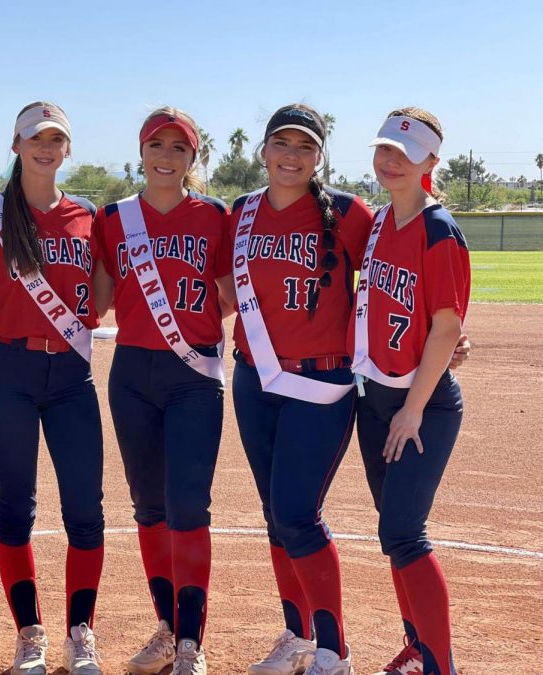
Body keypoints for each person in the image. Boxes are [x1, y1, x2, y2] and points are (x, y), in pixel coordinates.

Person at [224, 104, 373, 675]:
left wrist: (445, 337)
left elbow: (392, 281)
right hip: (254, 377)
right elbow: (217, 292)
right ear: (263, 151)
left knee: (297, 513)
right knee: (274, 514)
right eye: (281, 144)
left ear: (319, 157)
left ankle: (334, 649)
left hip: (321, 381)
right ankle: (296, 635)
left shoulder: (348, 213)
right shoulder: (240, 213)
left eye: (305, 147)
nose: (292, 156)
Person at [0, 101, 105, 675]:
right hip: (10, 375)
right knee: (14, 509)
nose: (46, 148)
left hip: (72, 375)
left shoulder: (89, 215)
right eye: (35, 139)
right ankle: (30, 636)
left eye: (56, 139)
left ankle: (81, 634)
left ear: (68, 149)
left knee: (86, 513)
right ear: (16, 145)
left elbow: (99, 296)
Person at [93, 106, 232, 675]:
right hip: (131, 376)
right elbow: (96, 298)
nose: (166, 157)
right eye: (158, 145)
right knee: (149, 508)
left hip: (192, 377)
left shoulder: (216, 217)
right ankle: (169, 629)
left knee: (187, 508)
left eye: (179, 148)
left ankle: (191, 645)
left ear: (192, 158)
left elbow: (231, 296)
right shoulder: (112, 219)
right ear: (141, 152)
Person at [352, 108, 470, 675]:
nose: (390, 161)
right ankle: (418, 648)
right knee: (392, 531)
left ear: (430, 161)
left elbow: (447, 328)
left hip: (420, 406)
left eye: (404, 152)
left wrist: (413, 412)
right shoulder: (378, 222)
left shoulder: (438, 228)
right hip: (375, 399)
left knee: (403, 531)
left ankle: (440, 664)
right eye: (384, 150)